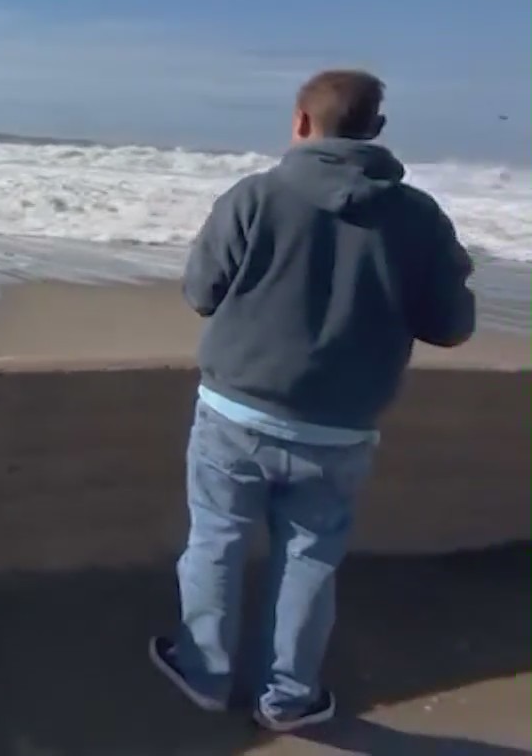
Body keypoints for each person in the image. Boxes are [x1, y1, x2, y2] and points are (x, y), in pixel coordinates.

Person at [148, 69, 477, 732]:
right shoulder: (418, 218)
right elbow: (451, 324)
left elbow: (201, 292)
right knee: (310, 557)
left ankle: (205, 673)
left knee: (216, 539)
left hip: (235, 413)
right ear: (376, 132)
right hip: (341, 429)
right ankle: (288, 698)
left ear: (300, 122)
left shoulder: (255, 196)